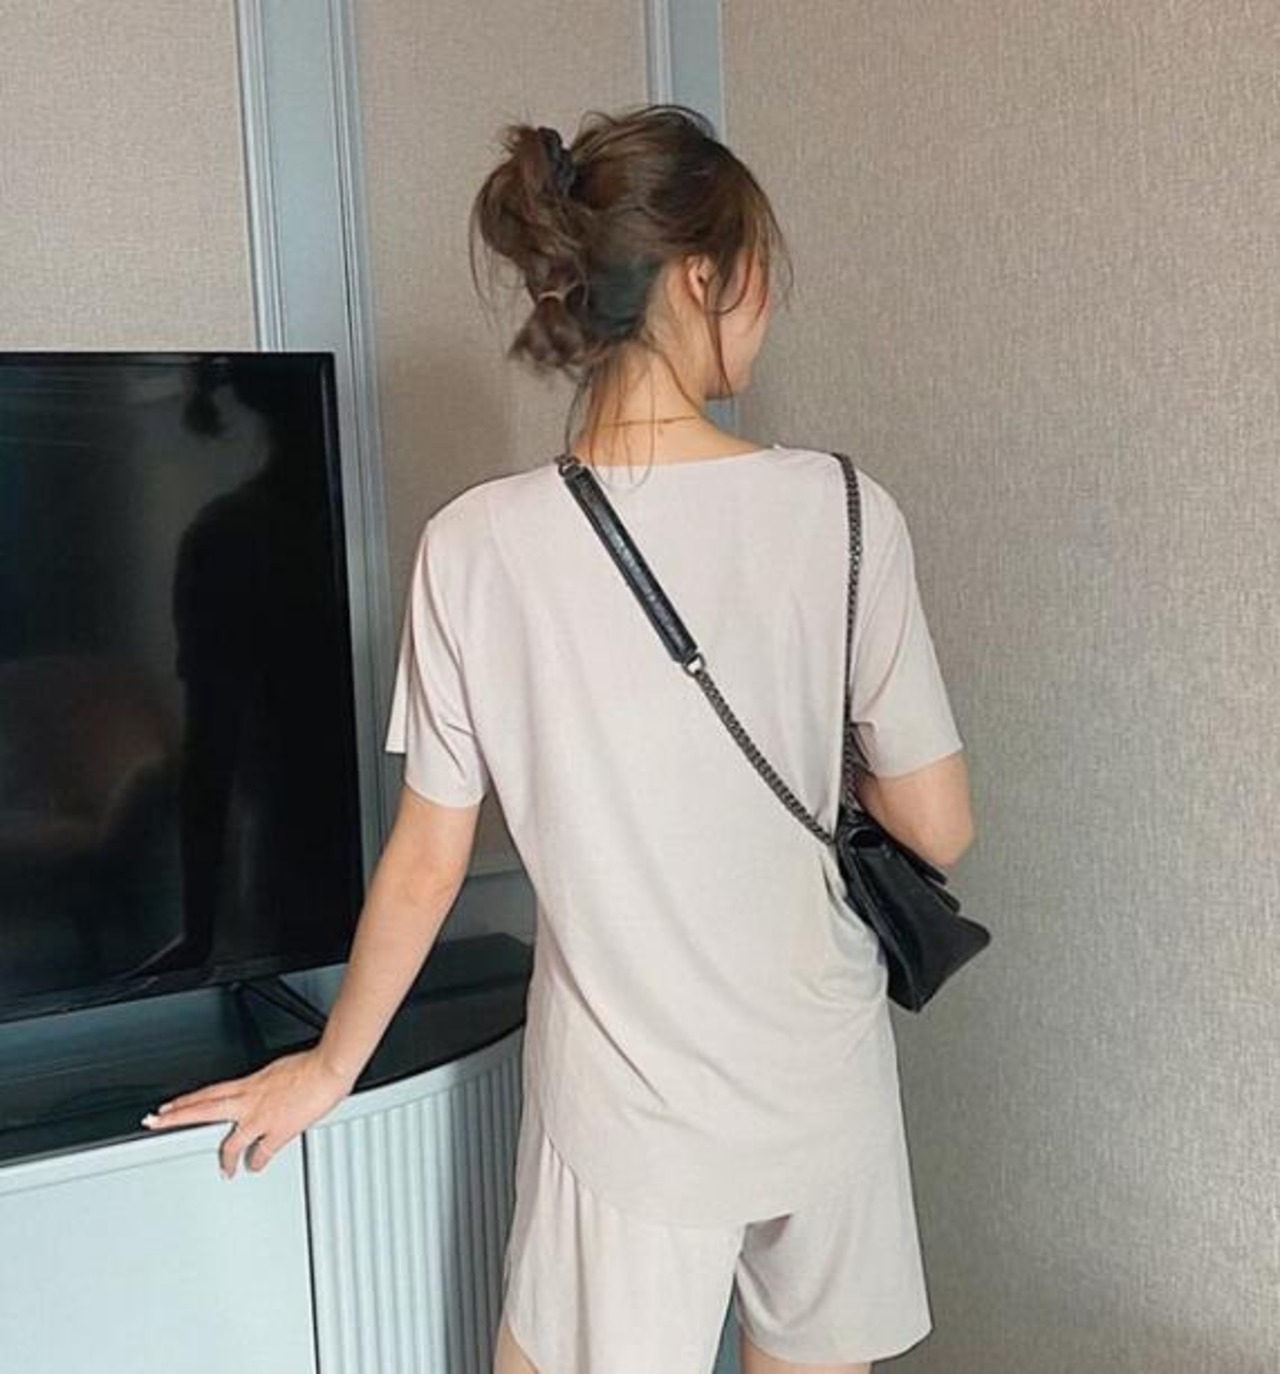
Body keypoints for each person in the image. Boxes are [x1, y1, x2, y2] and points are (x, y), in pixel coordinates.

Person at [144, 103, 975, 1374]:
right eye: (757, 276)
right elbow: (938, 829)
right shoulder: (848, 511)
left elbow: (428, 858)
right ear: (698, 276)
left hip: (629, 1114)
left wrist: (329, 1067)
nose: (765, 310)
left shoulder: (474, 545)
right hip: (824, 1088)